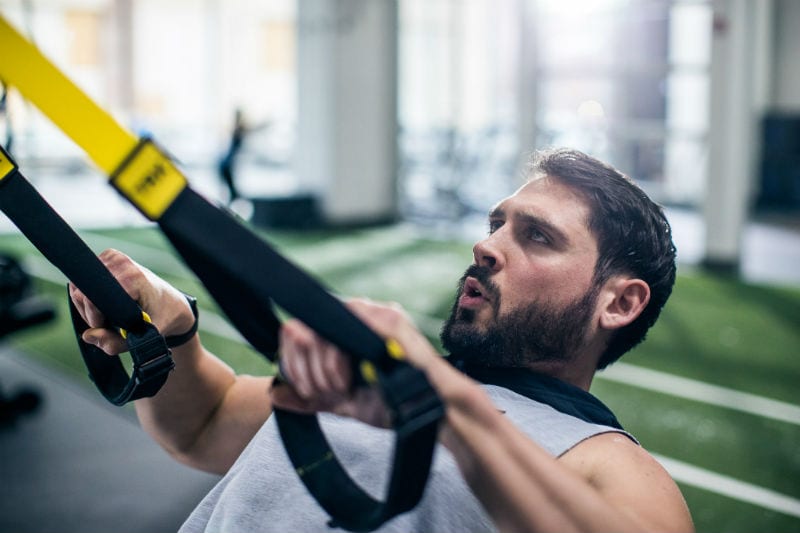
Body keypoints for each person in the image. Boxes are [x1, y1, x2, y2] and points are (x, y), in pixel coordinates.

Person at [69, 148, 694, 532]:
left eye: (537, 236)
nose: (487, 244)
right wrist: (173, 325)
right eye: (496, 223)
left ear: (620, 302)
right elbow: (202, 425)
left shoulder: (609, 465)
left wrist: (441, 399)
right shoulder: (378, 380)